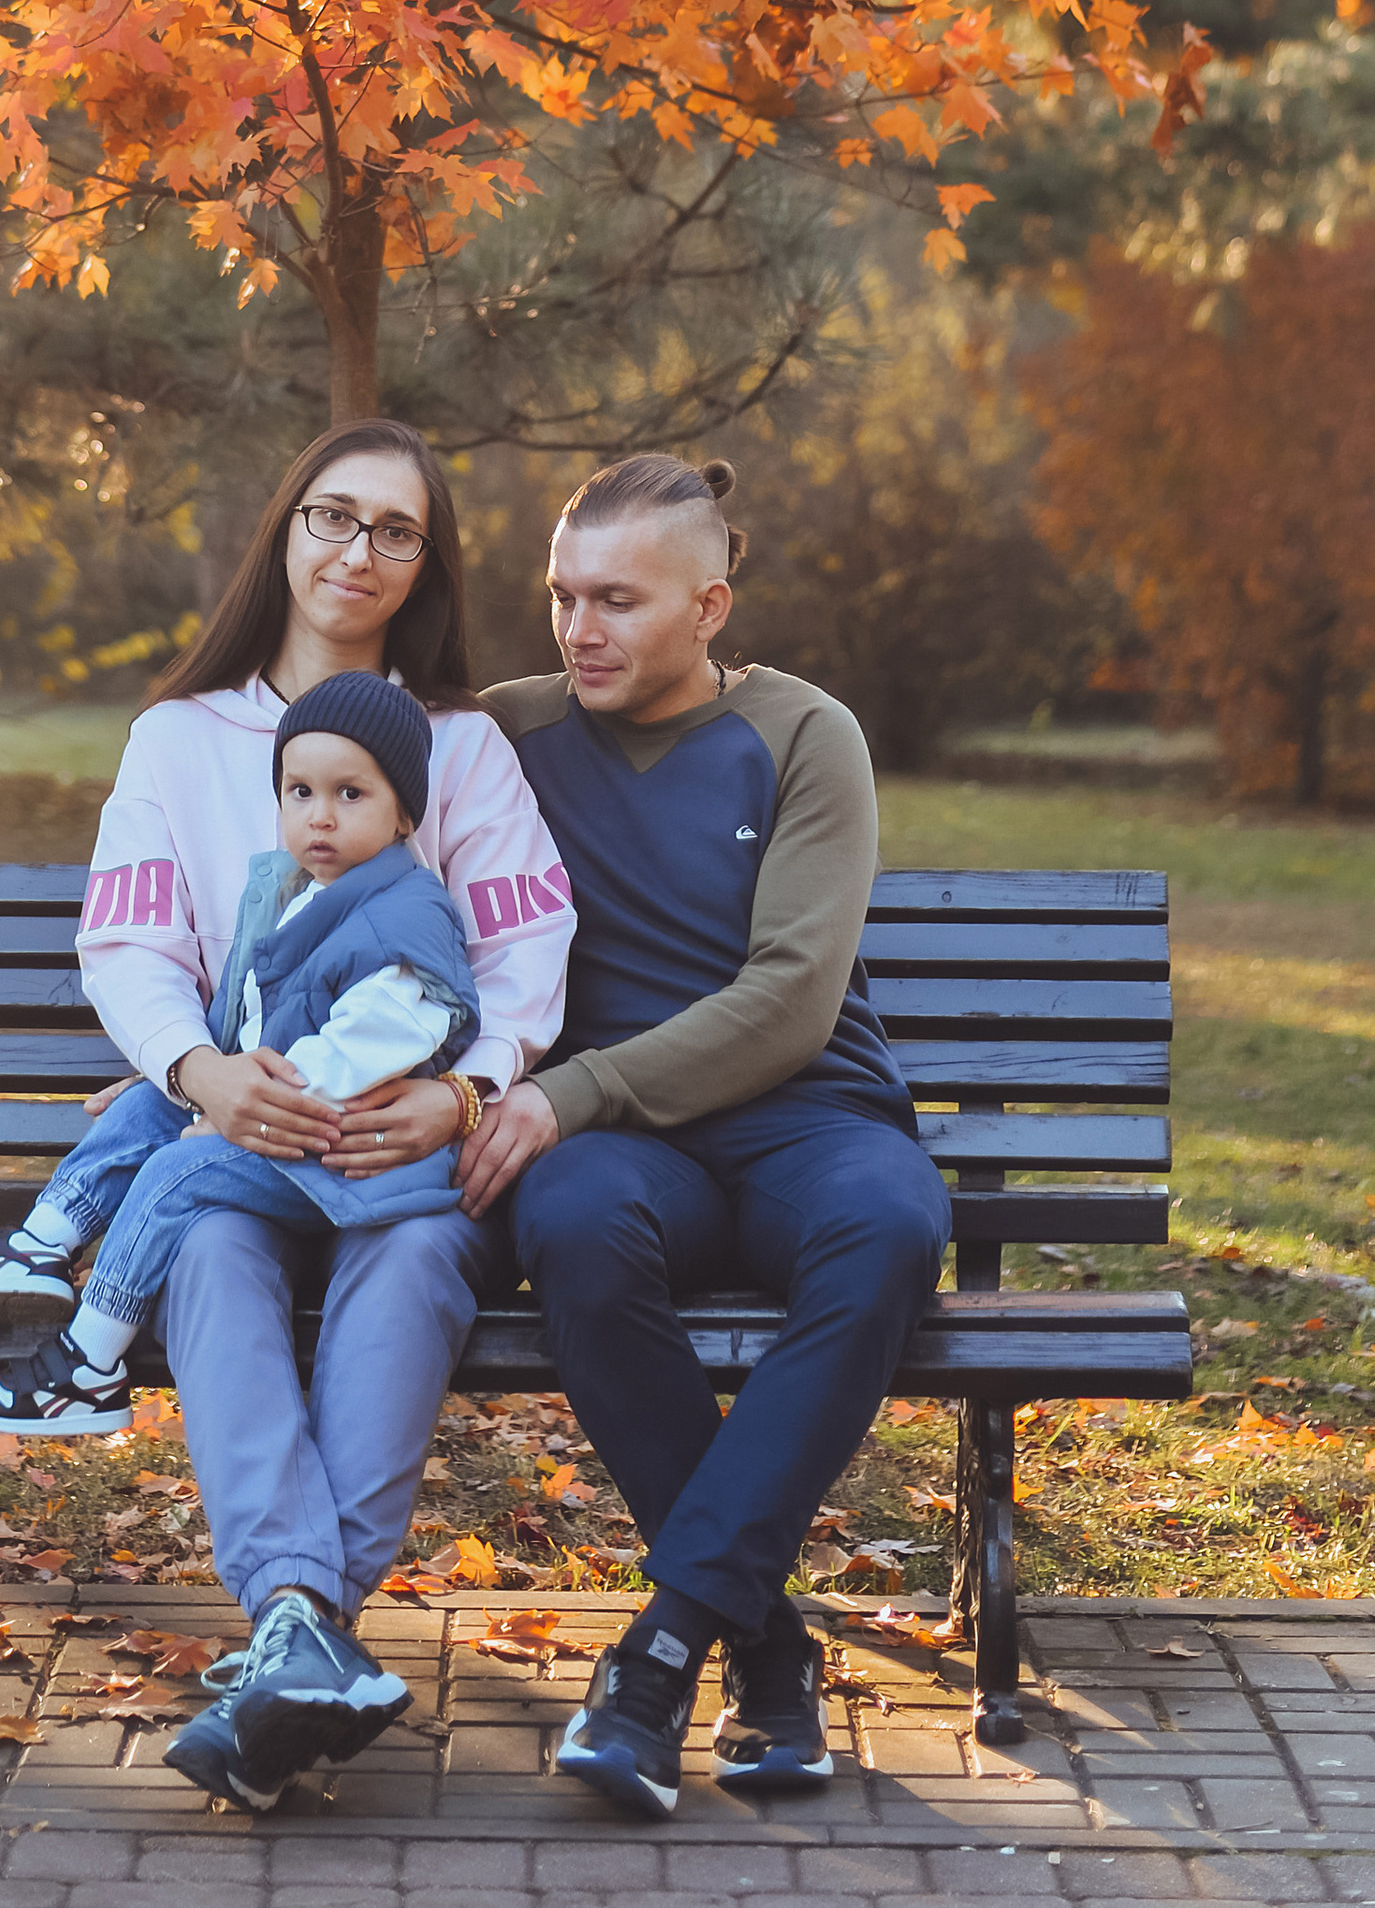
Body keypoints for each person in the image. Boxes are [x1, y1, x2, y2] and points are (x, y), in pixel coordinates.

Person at [21, 422, 570, 1810]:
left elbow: (525, 952)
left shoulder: (463, 746)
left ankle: (294, 1631)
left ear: (426, 564)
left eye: (397, 529)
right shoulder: (176, 739)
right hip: (243, 1135)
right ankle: (300, 1628)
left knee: (418, 1257)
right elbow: (130, 946)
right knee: (207, 1251)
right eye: (334, 514)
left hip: (401, 1146)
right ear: (286, 528)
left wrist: (462, 1089)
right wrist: (196, 1074)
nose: (358, 551)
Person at [463, 452, 951, 1824]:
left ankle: (664, 1642)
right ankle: (764, 1642)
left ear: (709, 606)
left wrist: (569, 1092)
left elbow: (791, 1000)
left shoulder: (804, 734)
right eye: (562, 596)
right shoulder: (503, 735)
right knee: (569, 1222)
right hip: (634, 1156)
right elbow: (320, 813)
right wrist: (184, 1054)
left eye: (616, 600)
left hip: (808, 1119)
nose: (580, 629)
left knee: (891, 1227)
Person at [0, 675, 485, 1440]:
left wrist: (232, 1119)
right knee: (150, 1100)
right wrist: (209, 1085)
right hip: (285, 1123)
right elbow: (247, 1020)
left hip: (346, 1150)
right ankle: (41, 1243)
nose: (319, 815)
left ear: (403, 812)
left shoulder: (407, 918)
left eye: (350, 794)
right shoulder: (297, 890)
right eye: (300, 791)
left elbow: (355, 1052)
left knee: (176, 1170)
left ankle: (89, 1363)